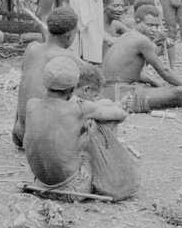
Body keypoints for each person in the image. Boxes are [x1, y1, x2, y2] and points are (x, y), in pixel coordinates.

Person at [23, 56, 128, 197]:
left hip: (40, 186)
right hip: (72, 189)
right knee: (104, 124)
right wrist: (119, 106)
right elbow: (120, 115)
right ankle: (108, 181)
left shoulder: (31, 105)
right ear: (73, 88)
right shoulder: (79, 108)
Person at [12, 6, 83, 149]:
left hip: (20, 133)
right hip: (43, 139)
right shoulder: (69, 57)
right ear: (70, 35)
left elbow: (24, 88)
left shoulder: (32, 48)